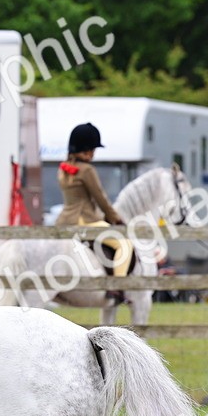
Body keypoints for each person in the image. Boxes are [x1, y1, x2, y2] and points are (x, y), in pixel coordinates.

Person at [55, 123, 129, 303]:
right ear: (85, 150)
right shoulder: (87, 170)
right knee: (124, 244)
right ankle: (116, 288)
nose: (94, 153)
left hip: (64, 221)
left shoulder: (63, 168)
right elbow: (100, 198)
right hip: (85, 220)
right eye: (93, 149)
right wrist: (115, 218)